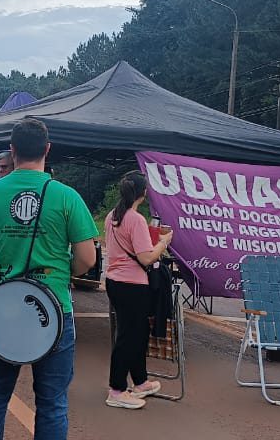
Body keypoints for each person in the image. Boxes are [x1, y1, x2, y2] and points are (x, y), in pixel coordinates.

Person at [0, 119, 97, 440]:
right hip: (52, 309)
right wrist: (60, 273)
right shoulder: (66, 196)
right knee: (51, 403)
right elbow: (87, 259)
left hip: (3, 307)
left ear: (11, 151)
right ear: (48, 149)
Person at [102, 171, 174, 410]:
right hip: (133, 285)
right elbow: (146, 257)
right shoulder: (136, 219)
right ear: (143, 193)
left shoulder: (112, 216)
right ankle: (117, 389)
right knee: (129, 337)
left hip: (115, 281)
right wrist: (163, 243)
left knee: (136, 332)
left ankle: (140, 381)